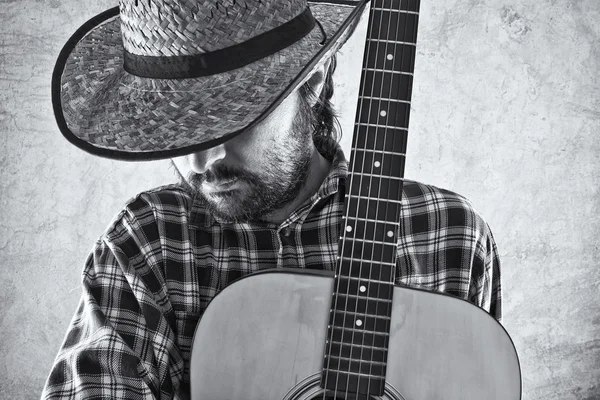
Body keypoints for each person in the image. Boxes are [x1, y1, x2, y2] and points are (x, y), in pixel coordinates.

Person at [44, 0, 501, 398]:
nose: (203, 161)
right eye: (183, 129)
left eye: (235, 117)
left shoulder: (451, 238)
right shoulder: (148, 243)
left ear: (316, 79)